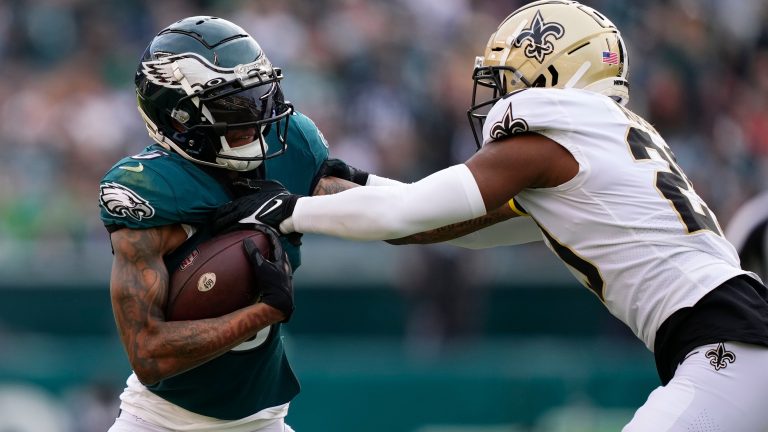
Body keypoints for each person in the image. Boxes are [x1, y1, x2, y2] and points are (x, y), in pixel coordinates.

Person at [212, 1, 768, 430]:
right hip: (733, 341)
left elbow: (407, 214)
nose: (496, 94)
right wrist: (363, 184)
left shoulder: (551, 137)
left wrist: (290, 211)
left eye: (507, 77)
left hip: (726, 345)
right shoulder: (599, 145)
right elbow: (443, 223)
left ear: (548, 71)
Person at [98, 16, 361, 432]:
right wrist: (261, 313)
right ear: (179, 118)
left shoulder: (287, 149)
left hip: (264, 422)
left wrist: (475, 196)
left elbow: (400, 222)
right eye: (232, 107)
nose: (254, 121)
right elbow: (148, 355)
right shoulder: (148, 189)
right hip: (160, 423)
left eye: (257, 99)